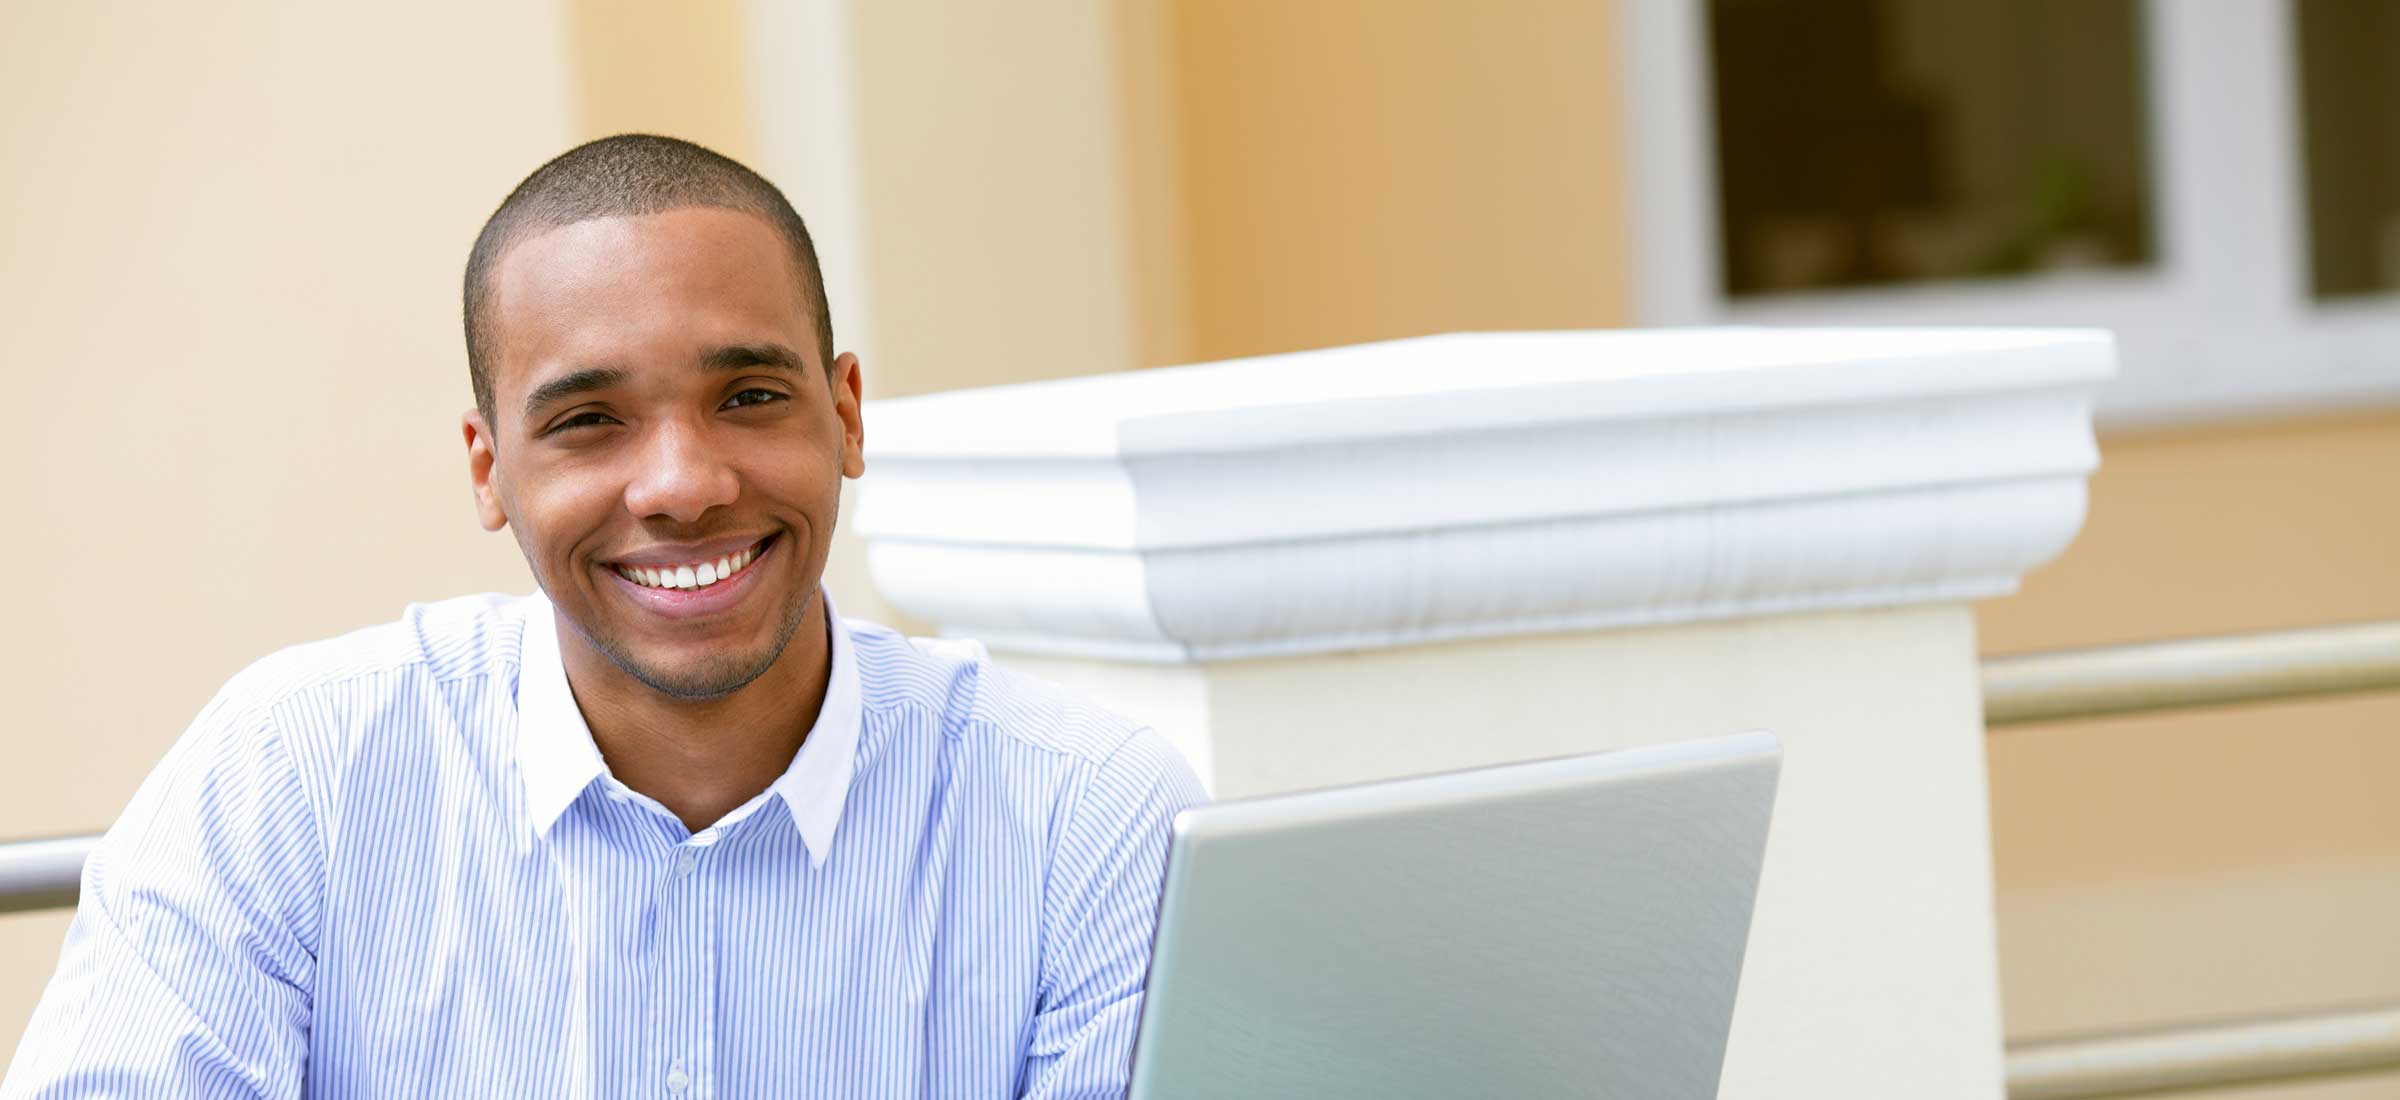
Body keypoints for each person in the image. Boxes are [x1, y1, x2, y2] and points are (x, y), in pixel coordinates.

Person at [2, 134, 1207, 1099]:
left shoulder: (1087, 822)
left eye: (748, 394)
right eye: (588, 420)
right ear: (488, 467)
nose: (684, 483)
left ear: (845, 413)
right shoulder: (285, 780)